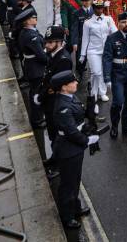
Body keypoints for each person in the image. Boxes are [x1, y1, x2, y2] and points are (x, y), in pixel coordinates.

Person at [50, 71, 97, 229]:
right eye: (72, 81)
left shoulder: (70, 97)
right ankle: (67, 216)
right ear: (64, 87)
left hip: (74, 148)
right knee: (68, 184)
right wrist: (87, 140)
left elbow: (79, 113)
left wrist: (91, 110)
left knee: (75, 180)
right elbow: (70, 131)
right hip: (68, 149)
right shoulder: (62, 106)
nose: (76, 83)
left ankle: (75, 207)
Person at [41, 26, 73, 174]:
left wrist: (42, 95)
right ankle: (54, 158)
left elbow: (56, 86)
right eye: (46, 42)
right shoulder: (53, 54)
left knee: (58, 135)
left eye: (50, 42)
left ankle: (59, 165)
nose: (47, 45)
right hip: (49, 102)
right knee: (52, 133)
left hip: (56, 102)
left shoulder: (63, 60)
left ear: (59, 42)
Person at [80, 0, 117, 103]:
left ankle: (102, 92)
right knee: (96, 72)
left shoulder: (108, 19)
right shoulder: (88, 23)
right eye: (97, 8)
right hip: (93, 51)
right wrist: (82, 54)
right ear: (93, 9)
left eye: (101, 8)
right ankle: (94, 92)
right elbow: (85, 39)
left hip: (106, 51)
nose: (99, 10)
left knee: (104, 72)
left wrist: (111, 26)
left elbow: (115, 33)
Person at [17, 10, 47, 130]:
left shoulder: (28, 32)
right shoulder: (31, 36)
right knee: (36, 94)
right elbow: (41, 56)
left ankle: (37, 117)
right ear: (28, 21)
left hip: (31, 66)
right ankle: (37, 120)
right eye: (33, 17)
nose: (36, 18)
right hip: (35, 69)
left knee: (34, 92)